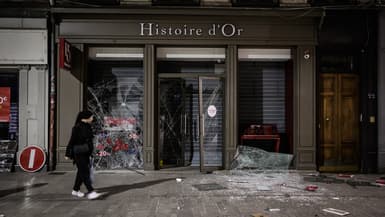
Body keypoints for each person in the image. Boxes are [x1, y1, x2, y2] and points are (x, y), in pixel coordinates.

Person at [65, 110, 101, 200]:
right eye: (91, 117)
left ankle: (75, 190)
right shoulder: (77, 128)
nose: (93, 118)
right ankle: (91, 191)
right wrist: (67, 153)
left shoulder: (88, 126)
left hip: (86, 152)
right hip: (79, 153)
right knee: (85, 173)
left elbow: (89, 141)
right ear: (86, 118)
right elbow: (71, 141)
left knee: (81, 172)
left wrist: (91, 152)